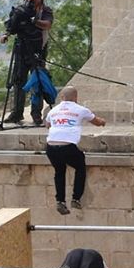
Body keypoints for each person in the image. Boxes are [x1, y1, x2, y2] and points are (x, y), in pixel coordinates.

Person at [0, 0, 55, 125]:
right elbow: (11, 25)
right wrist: (6, 34)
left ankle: (36, 114)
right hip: (21, 50)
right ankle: (16, 114)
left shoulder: (45, 11)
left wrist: (33, 20)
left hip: (38, 51)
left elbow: (47, 25)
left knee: (37, 82)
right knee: (18, 81)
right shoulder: (20, 10)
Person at [45, 86, 106, 215]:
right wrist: (103, 122)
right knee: (80, 166)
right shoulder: (81, 110)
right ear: (76, 97)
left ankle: (60, 201)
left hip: (50, 146)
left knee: (59, 171)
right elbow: (96, 122)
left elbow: (47, 125)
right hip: (67, 146)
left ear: (62, 97)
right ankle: (76, 198)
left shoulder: (53, 111)